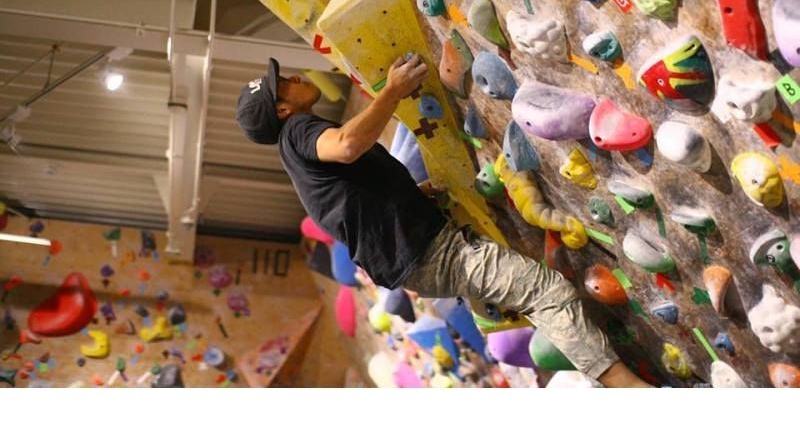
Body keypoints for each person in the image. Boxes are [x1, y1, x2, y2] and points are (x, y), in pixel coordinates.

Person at [236, 55, 652, 388]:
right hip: (430, 253)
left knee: (532, 298)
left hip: (418, 257)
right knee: (547, 291)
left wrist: (412, 197)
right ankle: (631, 392)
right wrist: (394, 92)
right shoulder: (298, 132)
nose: (292, 76)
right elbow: (346, 146)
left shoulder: (296, 159)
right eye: (282, 83)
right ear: (284, 109)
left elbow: (351, 204)